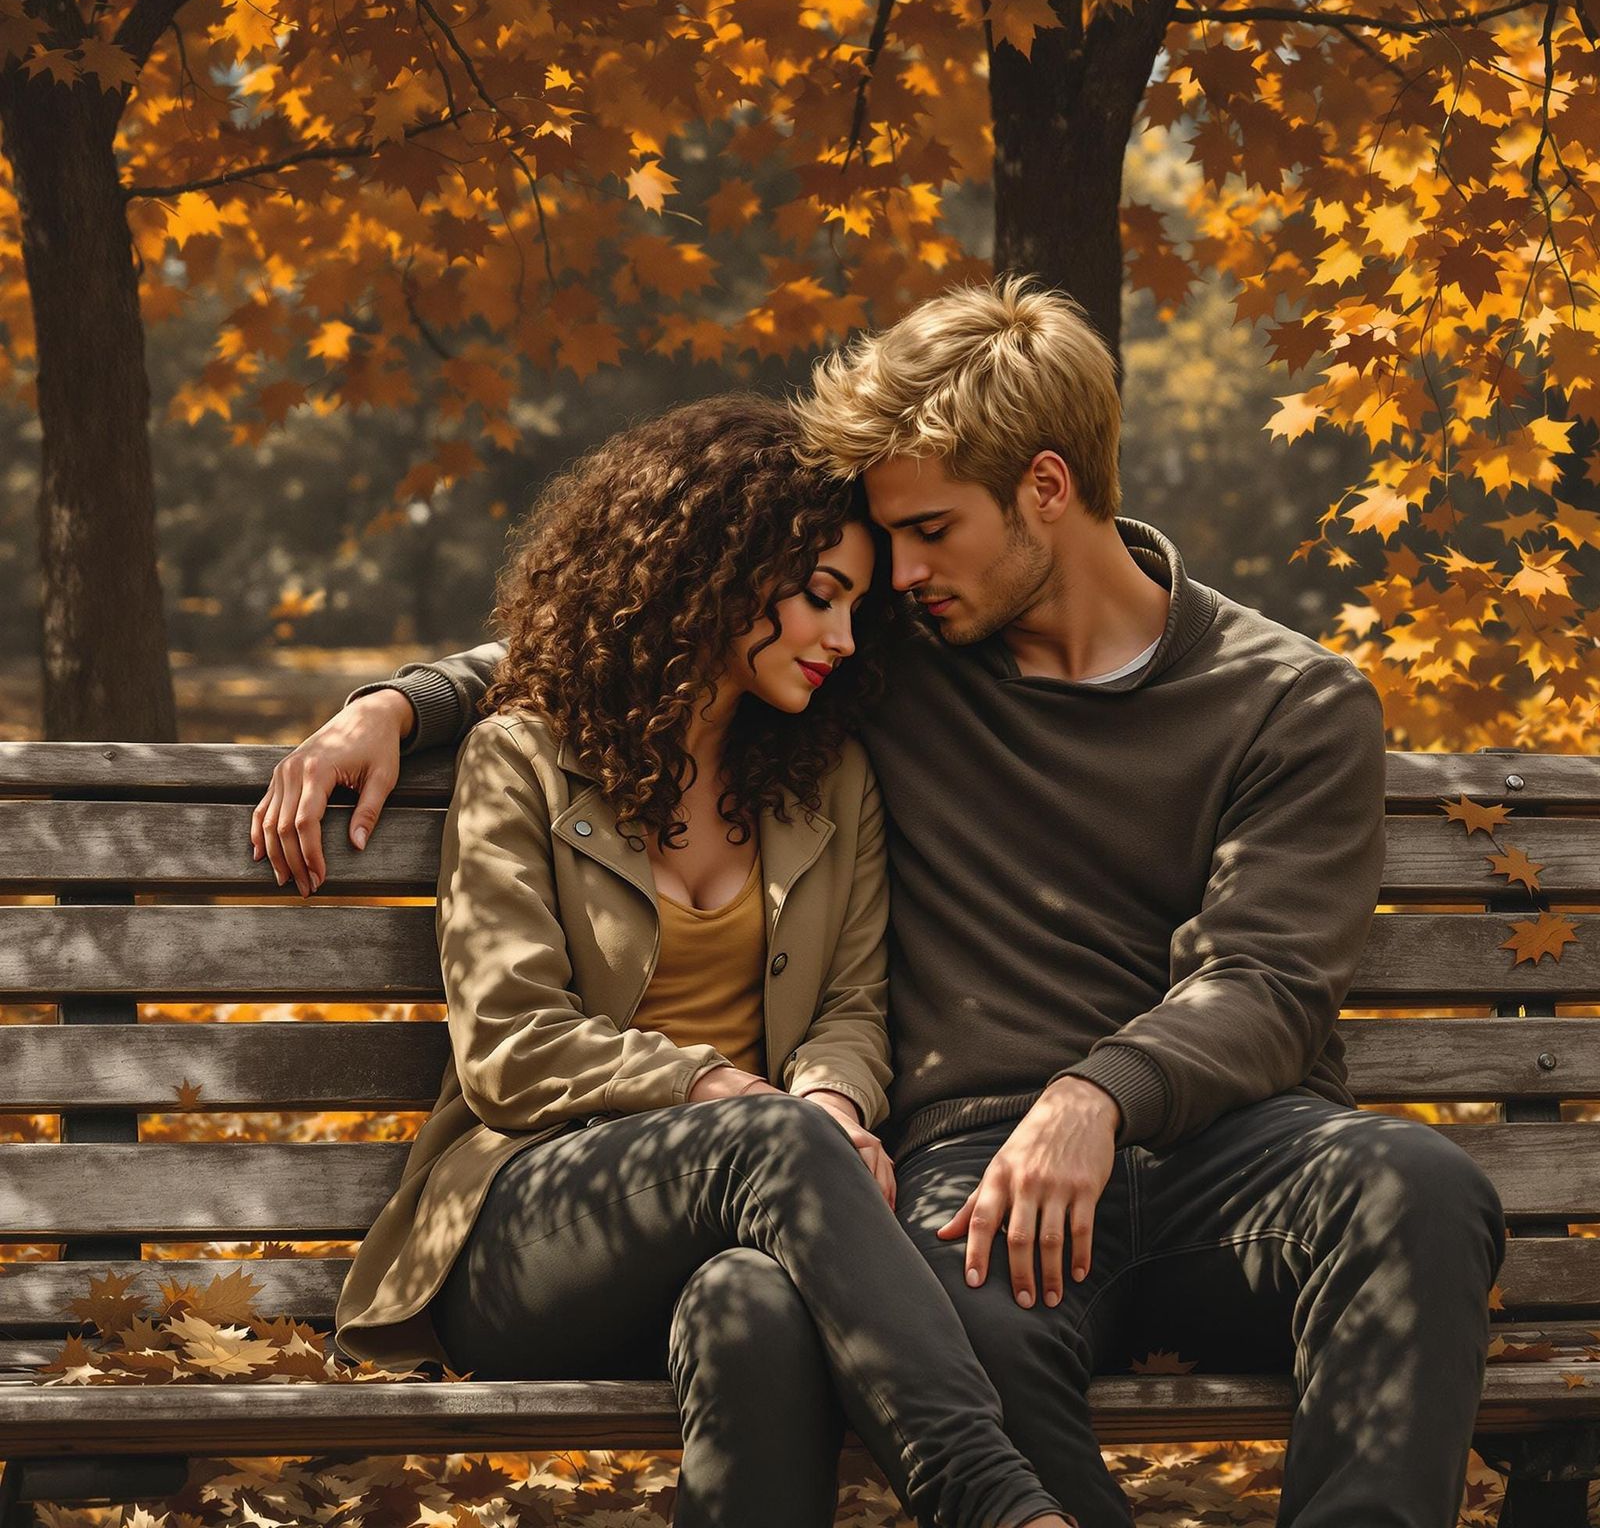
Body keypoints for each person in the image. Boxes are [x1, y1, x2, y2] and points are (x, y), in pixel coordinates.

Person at [259, 281, 1507, 1528]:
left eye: (927, 531)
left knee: (1418, 1185)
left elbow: (1270, 981)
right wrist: (401, 703)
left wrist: (1097, 1095)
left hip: (1224, 1152)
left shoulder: (1292, 700)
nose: (895, 577)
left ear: (1047, 488)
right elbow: (649, 621)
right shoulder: (897, 645)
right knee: (960, 1325)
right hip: (967, 1163)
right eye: (881, 546)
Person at [312, 394, 1072, 1528]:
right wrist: (729, 1092)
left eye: (856, 606)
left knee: (752, 1307)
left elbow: (855, 1005)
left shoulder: (828, 779)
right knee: (768, 1139)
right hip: (530, 1229)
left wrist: (828, 1095)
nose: (842, 637)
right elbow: (512, 1044)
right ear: (709, 576)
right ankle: (996, 1501)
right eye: (817, 598)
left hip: (758, 1221)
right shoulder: (524, 758)